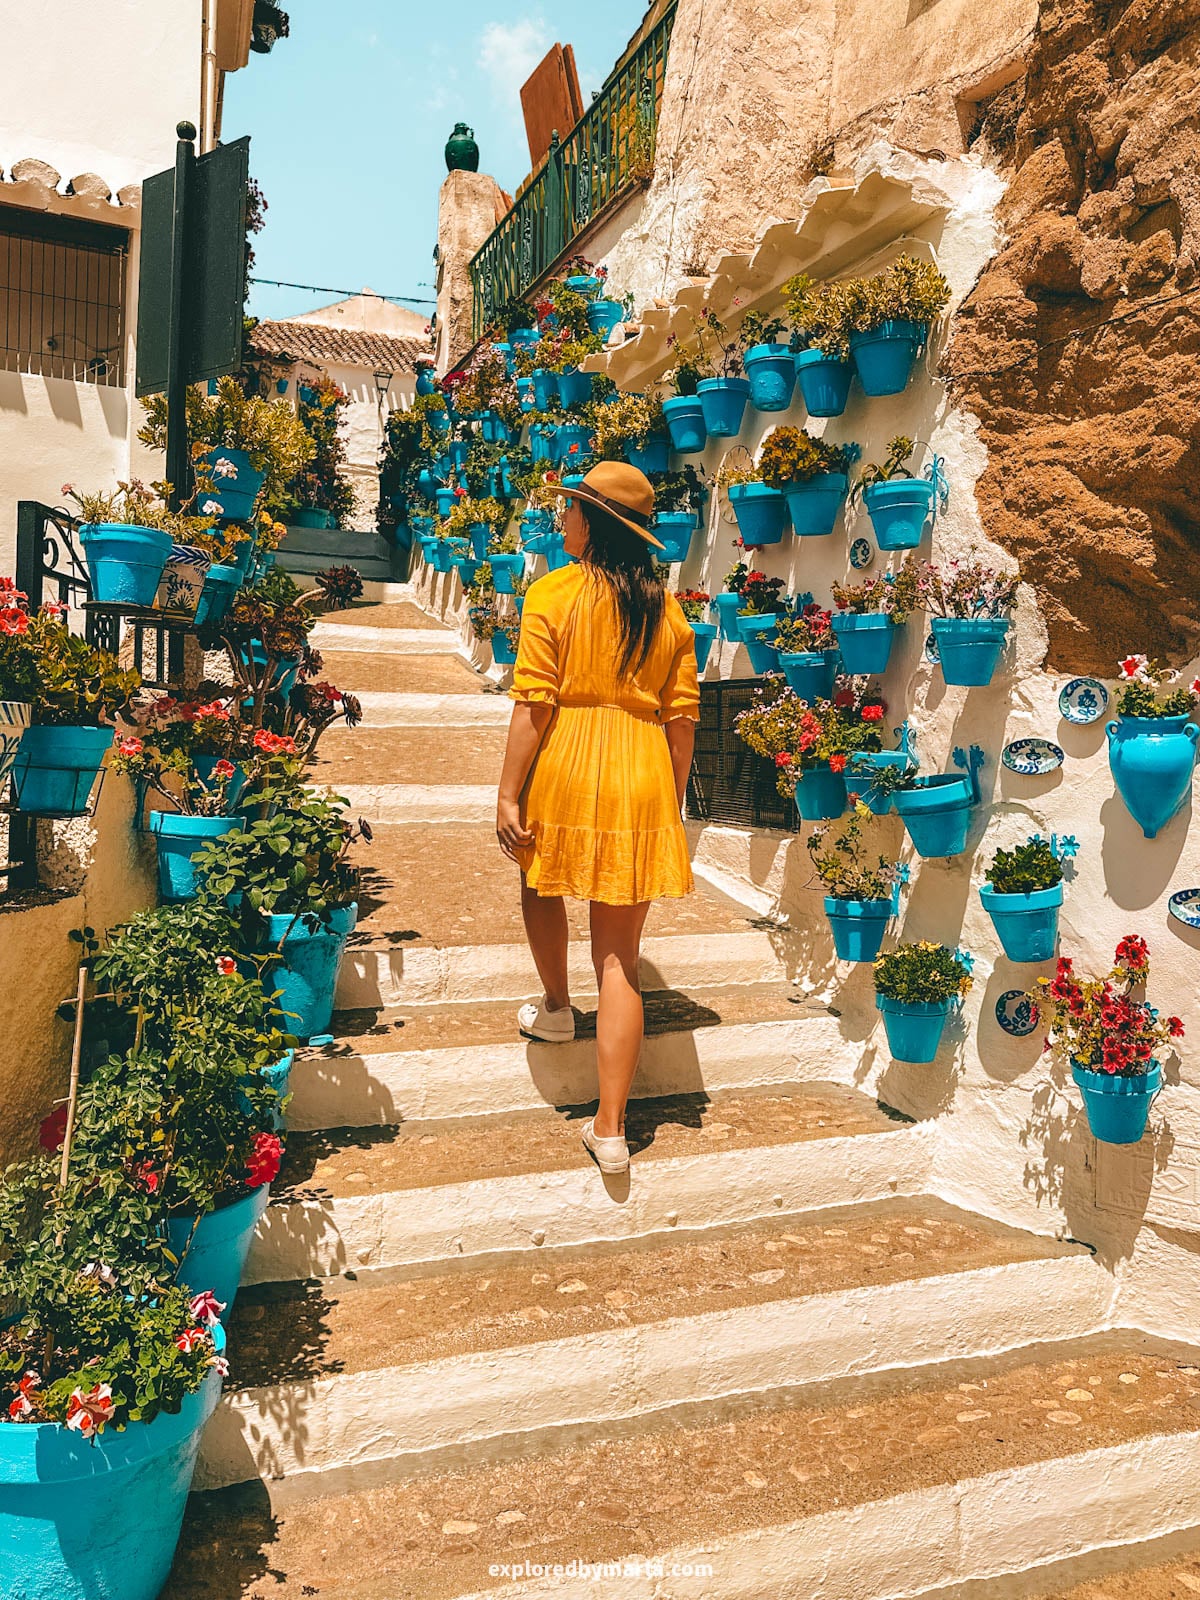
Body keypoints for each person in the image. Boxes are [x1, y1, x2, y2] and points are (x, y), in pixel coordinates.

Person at [495, 462, 700, 1176]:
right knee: (620, 955)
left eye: (571, 510)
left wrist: (507, 793)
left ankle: (556, 1006)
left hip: (569, 758)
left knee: (539, 879)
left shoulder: (554, 592)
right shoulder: (669, 614)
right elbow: (683, 724)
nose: (563, 520)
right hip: (642, 768)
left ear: (594, 523)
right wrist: (666, 807)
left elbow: (533, 704)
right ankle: (611, 1130)